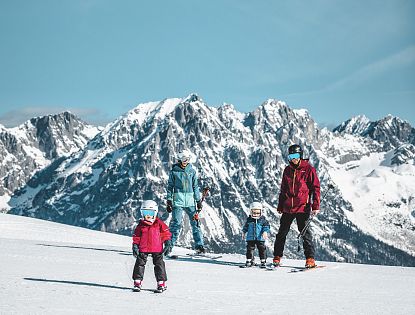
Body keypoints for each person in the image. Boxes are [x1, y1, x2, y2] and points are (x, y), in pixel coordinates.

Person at [273, 144, 321, 268]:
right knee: (282, 233)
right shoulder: (287, 170)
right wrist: (280, 205)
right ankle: (277, 256)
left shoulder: (309, 170)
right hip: (288, 207)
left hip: (302, 207)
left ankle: (310, 258)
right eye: (291, 156)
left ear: (300, 156)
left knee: (305, 233)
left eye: (296, 156)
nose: (293, 159)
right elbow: (283, 189)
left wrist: (315, 205)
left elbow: (316, 188)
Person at [165, 149, 205, 255]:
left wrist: (198, 201)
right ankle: (169, 246)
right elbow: (170, 186)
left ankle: (199, 246)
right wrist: (169, 200)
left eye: (187, 159)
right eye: (183, 159)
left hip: (190, 202)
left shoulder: (192, 171)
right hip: (178, 201)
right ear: (179, 159)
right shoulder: (174, 171)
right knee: (176, 223)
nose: (185, 161)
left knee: (195, 223)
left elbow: (195, 186)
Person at [132, 200, 172, 292]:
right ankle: (137, 282)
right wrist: (135, 245)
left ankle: (161, 283)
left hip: (157, 249)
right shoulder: (141, 225)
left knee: (159, 265)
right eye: (145, 213)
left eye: (150, 213)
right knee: (139, 264)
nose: (148, 215)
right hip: (143, 248)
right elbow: (137, 237)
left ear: (155, 213)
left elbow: (166, 234)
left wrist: (167, 242)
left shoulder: (159, 223)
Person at [242, 202, 271, 268]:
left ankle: (263, 261)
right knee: (249, 249)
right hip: (250, 238)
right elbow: (245, 227)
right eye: (254, 212)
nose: (256, 214)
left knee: (262, 249)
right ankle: (249, 260)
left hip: (260, 238)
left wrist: (265, 232)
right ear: (250, 212)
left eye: (258, 213)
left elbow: (266, 227)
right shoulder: (249, 220)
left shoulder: (263, 220)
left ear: (261, 212)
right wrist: (243, 232)